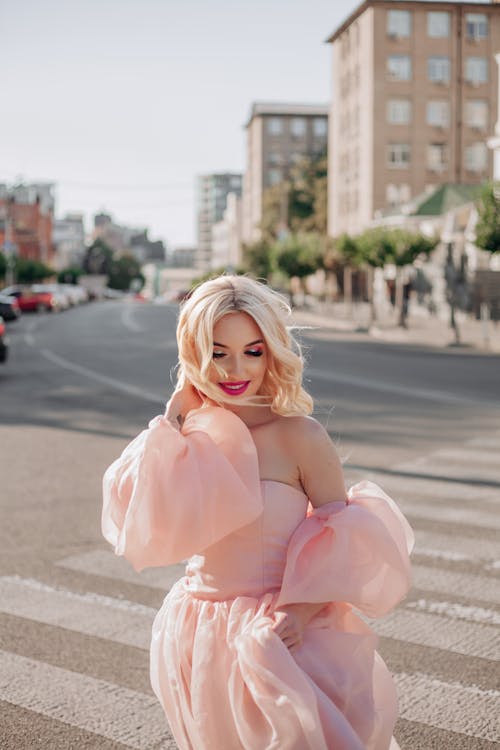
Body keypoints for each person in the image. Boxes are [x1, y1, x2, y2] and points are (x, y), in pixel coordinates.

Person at [102, 274, 413, 750]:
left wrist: (303, 611)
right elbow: (136, 518)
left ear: (272, 351)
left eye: (252, 350)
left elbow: (345, 539)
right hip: (198, 633)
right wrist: (171, 417)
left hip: (280, 638)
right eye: (217, 350)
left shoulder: (300, 436)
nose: (233, 369)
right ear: (194, 351)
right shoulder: (185, 436)